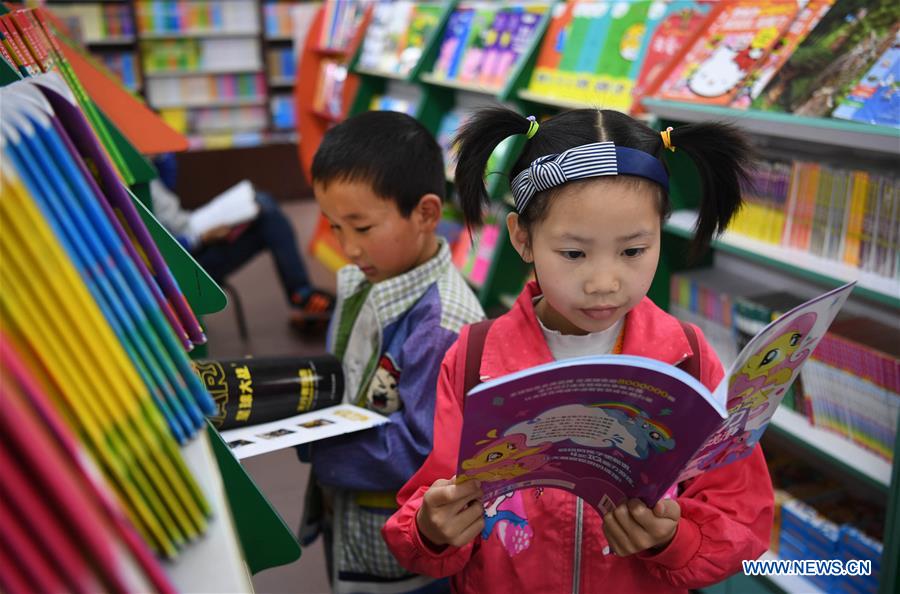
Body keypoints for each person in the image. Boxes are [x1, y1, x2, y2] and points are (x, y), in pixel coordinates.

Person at [382, 107, 775, 593]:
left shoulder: (688, 359)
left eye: (633, 251)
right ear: (522, 238)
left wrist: (674, 539)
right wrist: (432, 530)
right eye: (573, 253)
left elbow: (740, 518)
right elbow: (425, 509)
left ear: (659, 236)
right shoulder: (475, 358)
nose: (604, 282)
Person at [299, 111, 485, 593]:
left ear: (425, 213)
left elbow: (422, 453)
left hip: (405, 554)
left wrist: (312, 440)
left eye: (361, 228)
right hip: (352, 518)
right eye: (335, 227)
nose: (347, 248)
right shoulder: (370, 278)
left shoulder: (444, 326)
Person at [148, 156, 333, 331]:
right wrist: (202, 238)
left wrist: (161, 157)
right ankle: (301, 294)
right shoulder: (128, 185)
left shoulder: (141, 167)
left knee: (263, 206)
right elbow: (151, 249)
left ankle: (301, 293)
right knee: (267, 214)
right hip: (182, 259)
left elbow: (167, 186)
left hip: (189, 229)